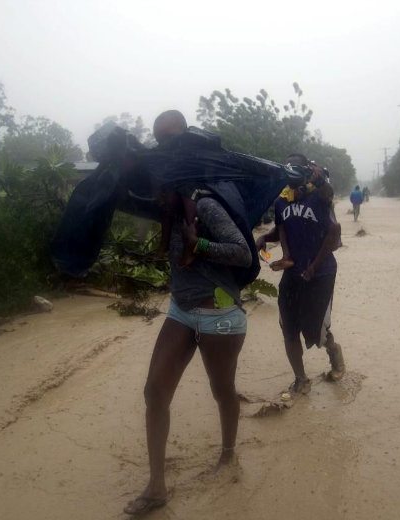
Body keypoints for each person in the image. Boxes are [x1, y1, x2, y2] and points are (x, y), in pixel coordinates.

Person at [124, 110, 252, 516]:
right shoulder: (169, 207)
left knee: (222, 391)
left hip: (221, 316)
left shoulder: (206, 204)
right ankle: (157, 486)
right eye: (158, 142)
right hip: (180, 310)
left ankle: (229, 453)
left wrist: (203, 247)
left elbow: (245, 254)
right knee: (154, 393)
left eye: (169, 142)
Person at [257, 153, 345, 395]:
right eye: (289, 167)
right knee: (288, 327)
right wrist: (264, 238)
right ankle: (301, 379)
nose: (292, 172)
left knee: (315, 330)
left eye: (298, 167)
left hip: (321, 273)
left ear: (307, 170)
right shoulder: (282, 201)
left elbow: (334, 233)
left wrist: (314, 267)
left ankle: (333, 350)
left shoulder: (320, 196)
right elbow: (281, 228)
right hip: (293, 272)